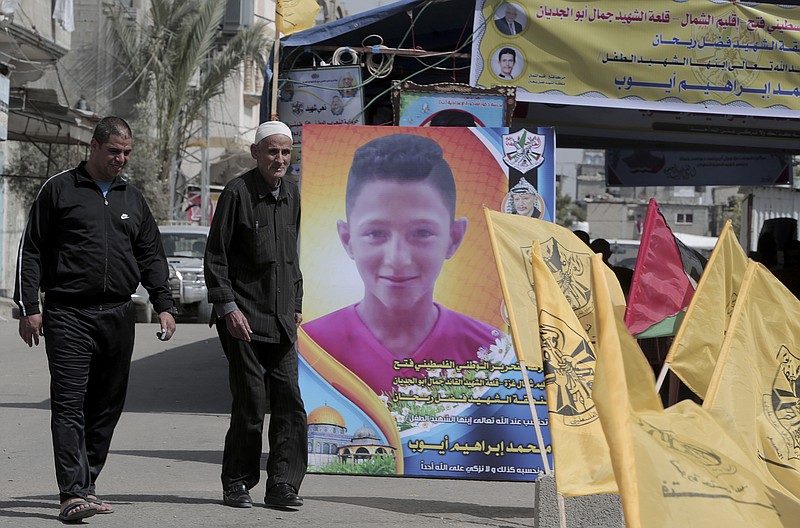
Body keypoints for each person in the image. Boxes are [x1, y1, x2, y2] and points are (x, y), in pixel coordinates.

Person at [14, 116, 177, 523]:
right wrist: (29, 307)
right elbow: (31, 249)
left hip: (119, 313)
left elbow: (151, 255)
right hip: (68, 312)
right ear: (93, 147)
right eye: (113, 151)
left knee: (107, 404)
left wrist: (164, 303)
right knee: (69, 403)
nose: (120, 159)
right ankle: (71, 492)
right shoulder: (60, 189)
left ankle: (86, 484)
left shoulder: (131, 198)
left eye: (126, 153)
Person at [301, 134, 502, 395]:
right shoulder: (312, 347)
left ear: (453, 238)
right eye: (376, 233)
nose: (397, 259)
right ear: (347, 239)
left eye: (421, 233)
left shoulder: (494, 353)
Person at [204, 121, 307, 510]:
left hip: (281, 320)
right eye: (271, 151)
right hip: (243, 320)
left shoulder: (293, 195)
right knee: (251, 403)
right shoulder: (237, 194)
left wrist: (296, 303)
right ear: (256, 153)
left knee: (290, 404)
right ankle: (237, 482)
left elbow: (290, 259)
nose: (279, 158)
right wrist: (228, 308)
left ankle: (283, 484)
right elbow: (215, 257)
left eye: (285, 151)